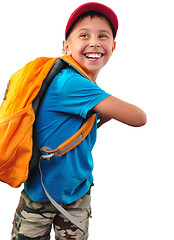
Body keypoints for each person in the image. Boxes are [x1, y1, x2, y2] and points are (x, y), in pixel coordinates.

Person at [11, 2, 146, 240]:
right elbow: (139, 118)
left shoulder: (80, 83)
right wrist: (106, 110)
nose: (94, 41)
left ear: (113, 46)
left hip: (75, 192)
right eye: (84, 35)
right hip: (43, 197)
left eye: (102, 36)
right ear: (66, 46)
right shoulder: (72, 83)